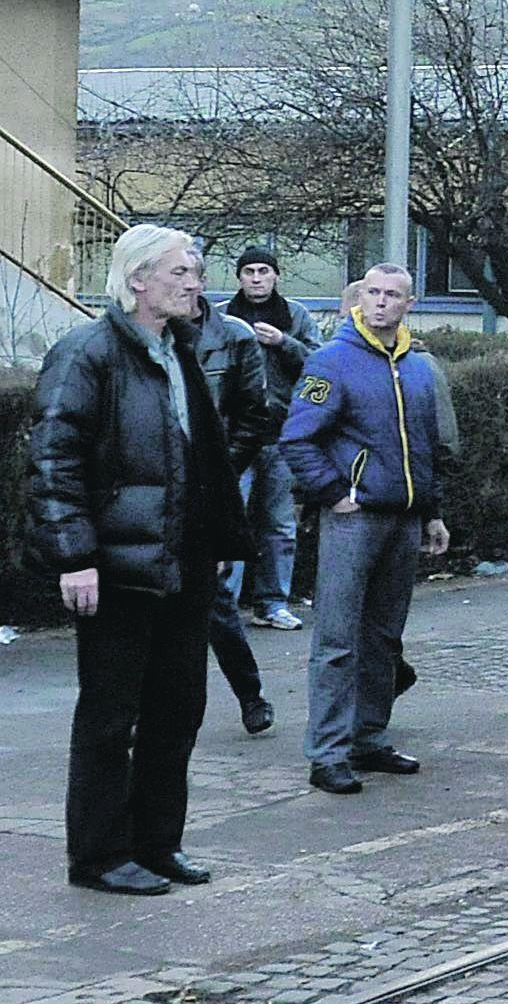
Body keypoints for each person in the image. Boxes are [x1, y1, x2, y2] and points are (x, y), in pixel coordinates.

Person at [26, 226, 250, 894]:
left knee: (177, 711)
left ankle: (158, 843)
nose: (195, 283)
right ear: (137, 282)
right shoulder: (86, 355)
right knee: (108, 718)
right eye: (180, 272)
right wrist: (75, 557)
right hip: (117, 571)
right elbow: (53, 462)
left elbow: (198, 458)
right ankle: (98, 855)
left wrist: (212, 543)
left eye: (197, 270)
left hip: (180, 565)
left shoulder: (182, 351)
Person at [280, 263, 449, 795]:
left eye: (391, 295)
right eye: (372, 293)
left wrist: (432, 511)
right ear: (360, 299)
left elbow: (426, 448)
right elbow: (297, 438)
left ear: (409, 303)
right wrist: (334, 493)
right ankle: (327, 752)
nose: (380, 303)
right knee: (337, 637)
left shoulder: (417, 367)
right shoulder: (331, 361)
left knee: (383, 637)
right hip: (354, 519)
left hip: (403, 517)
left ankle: (368, 737)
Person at [191, 282, 283, 737]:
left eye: (191, 273)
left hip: (213, 480)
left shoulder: (233, 336)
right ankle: (142, 712)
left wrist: (220, 471)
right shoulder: (138, 338)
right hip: (155, 486)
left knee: (215, 601)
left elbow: (253, 412)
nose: (186, 284)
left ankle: (250, 694)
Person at [223, 247, 316, 627]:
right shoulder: (223, 318)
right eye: (249, 271)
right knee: (231, 521)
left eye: (264, 271)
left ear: (276, 276)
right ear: (239, 278)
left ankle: (273, 601)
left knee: (279, 524)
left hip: (280, 436)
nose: (257, 278)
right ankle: (223, 605)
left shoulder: (295, 316)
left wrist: (283, 343)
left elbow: (318, 364)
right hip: (236, 437)